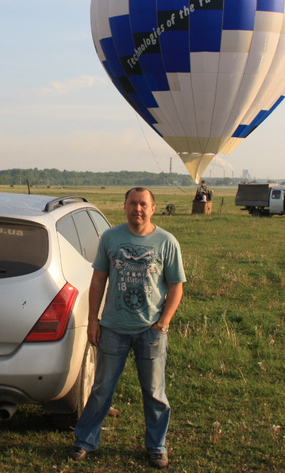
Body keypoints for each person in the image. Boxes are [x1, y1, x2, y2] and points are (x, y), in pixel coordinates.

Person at [69, 187, 186, 469]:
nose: (138, 209)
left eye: (143, 204)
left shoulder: (167, 242)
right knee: (101, 390)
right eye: (133, 204)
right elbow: (98, 280)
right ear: (124, 206)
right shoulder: (110, 238)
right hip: (113, 329)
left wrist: (163, 323)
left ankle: (157, 446)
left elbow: (176, 286)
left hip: (150, 330)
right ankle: (85, 441)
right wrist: (93, 320)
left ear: (153, 208)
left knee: (155, 392)